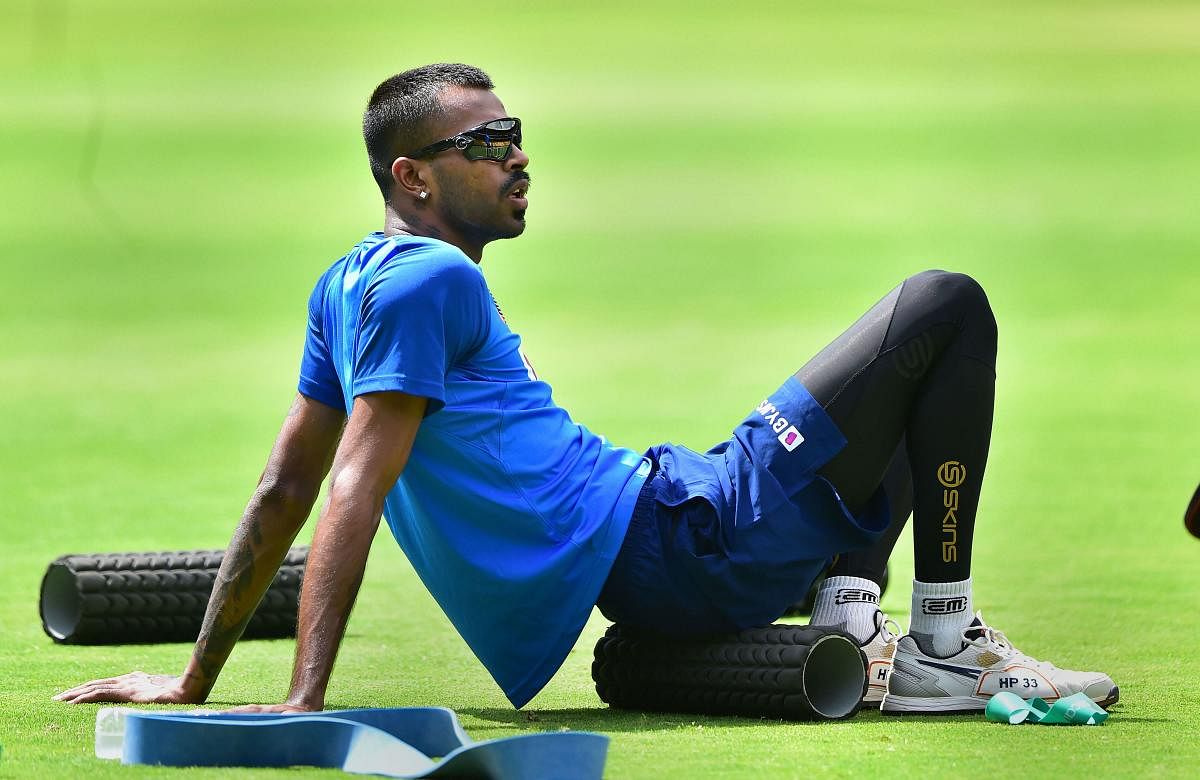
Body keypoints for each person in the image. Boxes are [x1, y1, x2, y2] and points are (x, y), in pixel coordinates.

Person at [56, 63, 1116, 715]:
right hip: (685, 542)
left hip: (672, 521)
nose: (517, 159)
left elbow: (282, 484)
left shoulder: (349, 283)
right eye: (485, 144)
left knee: (899, 368)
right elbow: (337, 491)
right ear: (411, 178)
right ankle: (943, 642)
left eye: (517, 136)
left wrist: (193, 682)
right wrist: (301, 701)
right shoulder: (423, 280)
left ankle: (855, 614)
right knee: (944, 304)